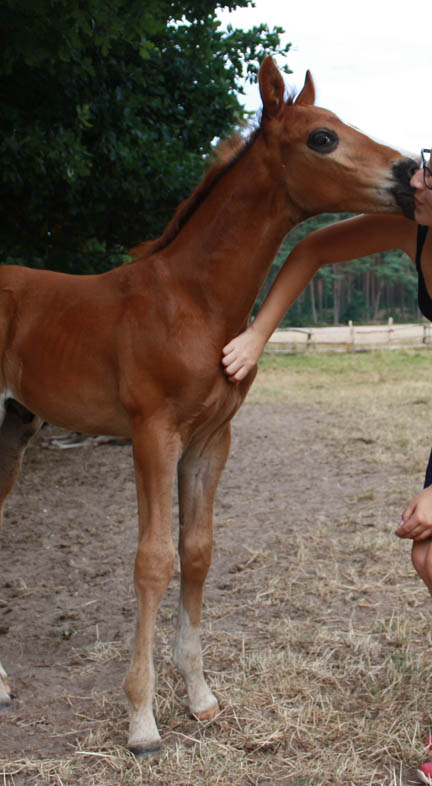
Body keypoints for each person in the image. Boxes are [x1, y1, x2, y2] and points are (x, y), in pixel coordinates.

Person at [222, 150, 432, 784]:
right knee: (428, 557)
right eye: (428, 162)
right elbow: (312, 252)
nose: (417, 178)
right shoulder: (412, 228)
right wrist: (258, 334)